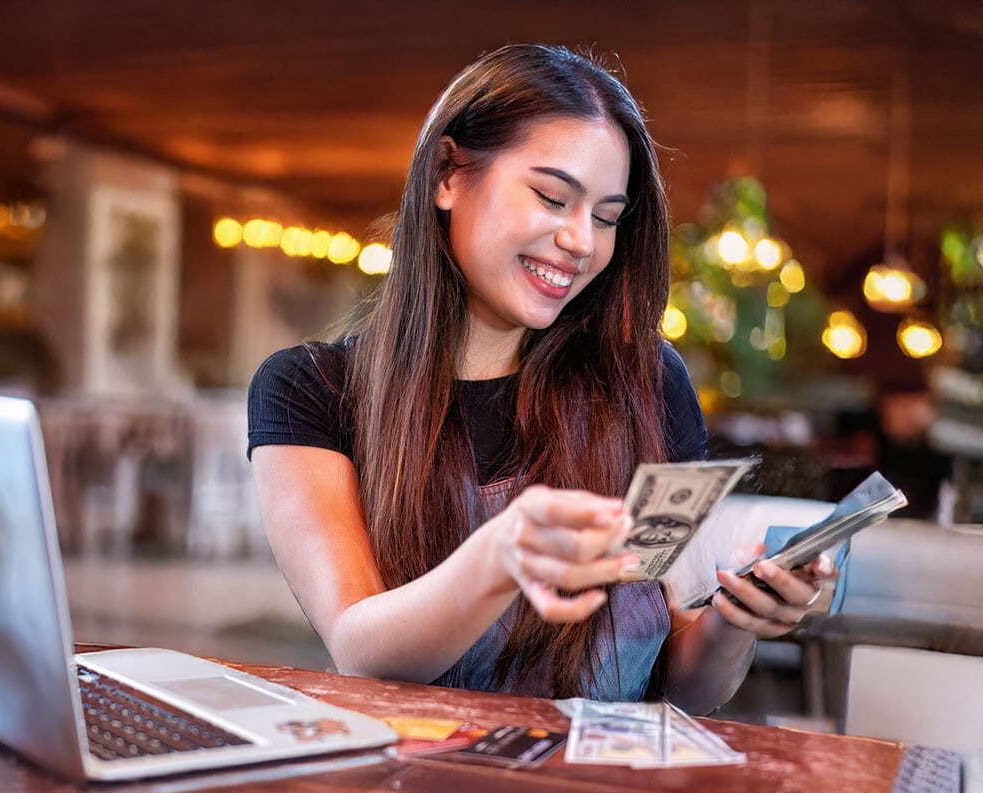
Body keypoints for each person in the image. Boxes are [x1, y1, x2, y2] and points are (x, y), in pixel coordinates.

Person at [247, 44, 835, 713]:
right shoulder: (311, 389)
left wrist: (736, 620)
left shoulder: (645, 380)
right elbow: (361, 646)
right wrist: (499, 557)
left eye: (607, 217)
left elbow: (682, 684)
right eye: (553, 197)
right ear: (447, 175)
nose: (583, 241)